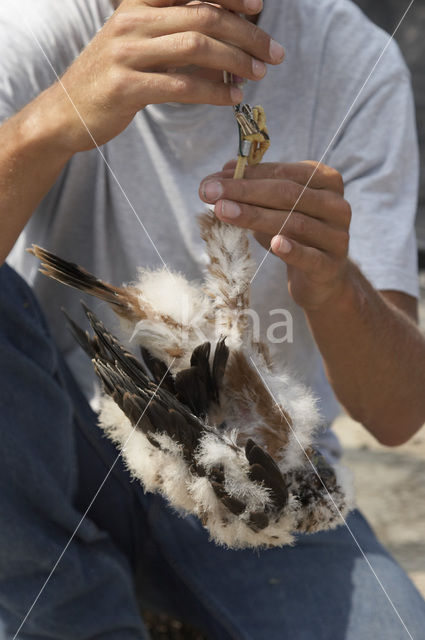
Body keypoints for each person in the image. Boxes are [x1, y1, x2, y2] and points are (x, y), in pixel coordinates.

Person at [1, 0, 425, 638]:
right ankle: (76, 617)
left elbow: (397, 413)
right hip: (60, 458)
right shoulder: (37, 28)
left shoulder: (355, 61)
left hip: (264, 492)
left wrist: (336, 285)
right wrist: (50, 122)